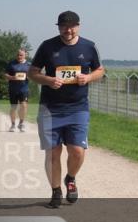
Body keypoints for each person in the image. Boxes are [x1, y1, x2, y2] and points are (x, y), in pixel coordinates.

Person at [28, 11, 104, 208]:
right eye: (63, 26)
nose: (68, 30)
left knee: (77, 151)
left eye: (71, 26)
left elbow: (100, 70)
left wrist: (88, 78)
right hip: (50, 108)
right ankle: (55, 191)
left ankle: (70, 178)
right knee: (53, 152)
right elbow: (32, 73)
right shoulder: (47, 46)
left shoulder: (89, 46)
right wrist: (48, 80)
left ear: (78, 26)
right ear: (58, 27)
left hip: (77, 108)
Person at [5, 48, 30, 132]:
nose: (19, 57)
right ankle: (12, 125)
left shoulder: (29, 64)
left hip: (24, 89)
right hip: (13, 88)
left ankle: (21, 123)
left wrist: (29, 77)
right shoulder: (11, 63)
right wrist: (12, 77)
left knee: (24, 105)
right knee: (13, 107)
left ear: (25, 55)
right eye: (18, 55)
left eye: (21, 55)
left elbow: (33, 75)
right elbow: (5, 75)